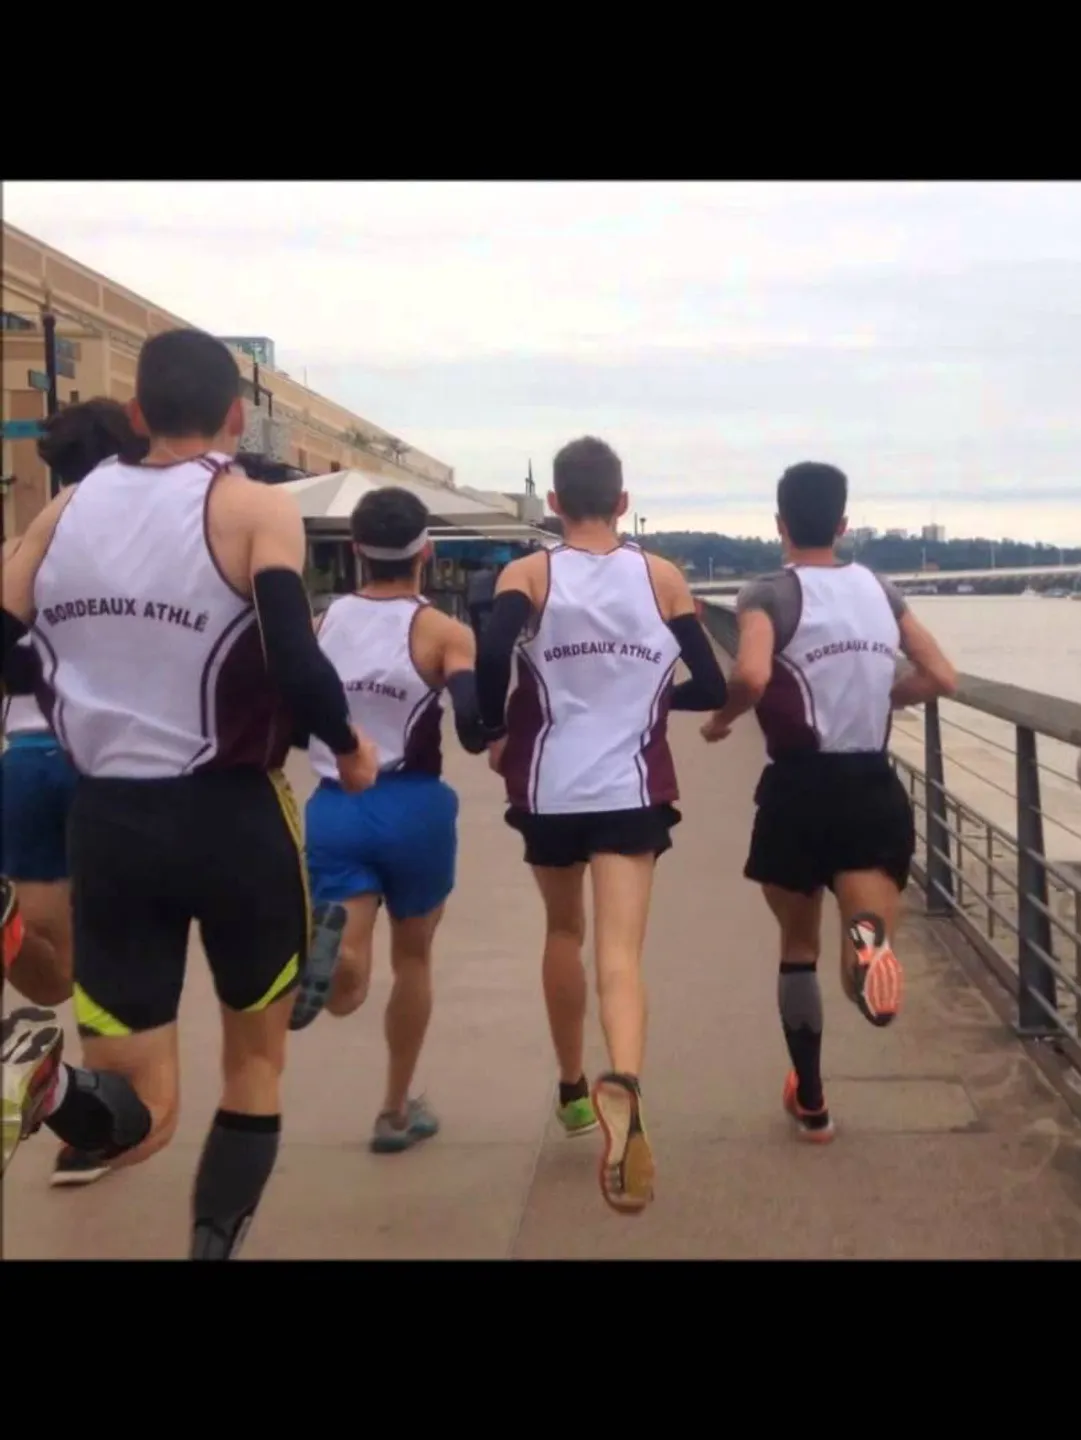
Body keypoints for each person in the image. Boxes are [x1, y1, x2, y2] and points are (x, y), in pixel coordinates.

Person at [0, 328, 378, 1258]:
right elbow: (294, 653)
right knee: (254, 1063)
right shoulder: (253, 507)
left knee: (141, 1112)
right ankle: (214, 1247)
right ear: (237, 416)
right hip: (230, 815)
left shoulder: (63, 514)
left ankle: (58, 1091)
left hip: (109, 825)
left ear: (136, 415)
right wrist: (347, 744)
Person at [474, 436, 726, 1213]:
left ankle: (574, 1091)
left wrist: (494, 730)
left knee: (563, 934)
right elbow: (711, 682)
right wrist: (654, 703)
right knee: (620, 953)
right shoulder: (663, 577)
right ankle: (627, 1077)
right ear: (622, 502)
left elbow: (489, 653)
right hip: (631, 787)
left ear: (553, 503)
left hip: (550, 788)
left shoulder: (530, 573)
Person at [699, 461, 957, 1142]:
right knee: (860, 927)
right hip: (871, 786)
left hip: (797, 788)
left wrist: (722, 719)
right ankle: (870, 950)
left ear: (780, 524)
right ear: (843, 524)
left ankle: (811, 1100)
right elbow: (942, 675)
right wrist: (886, 695)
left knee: (796, 946)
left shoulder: (768, 593)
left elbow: (751, 672)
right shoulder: (881, 589)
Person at [292, 485, 492, 1154]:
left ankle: (335, 958)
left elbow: (296, 715)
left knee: (349, 978)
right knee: (414, 959)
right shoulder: (444, 631)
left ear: (355, 552)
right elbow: (469, 724)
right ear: (425, 553)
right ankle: (395, 1111)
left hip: (338, 803)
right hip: (415, 806)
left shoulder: (323, 625)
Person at [0, 397, 145, 1187]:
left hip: (24, 759)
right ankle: (92, 1129)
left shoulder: (16, 552)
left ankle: (10, 932)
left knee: (48, 968)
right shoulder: (140, 561)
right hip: (107, 766)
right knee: (109, 958)